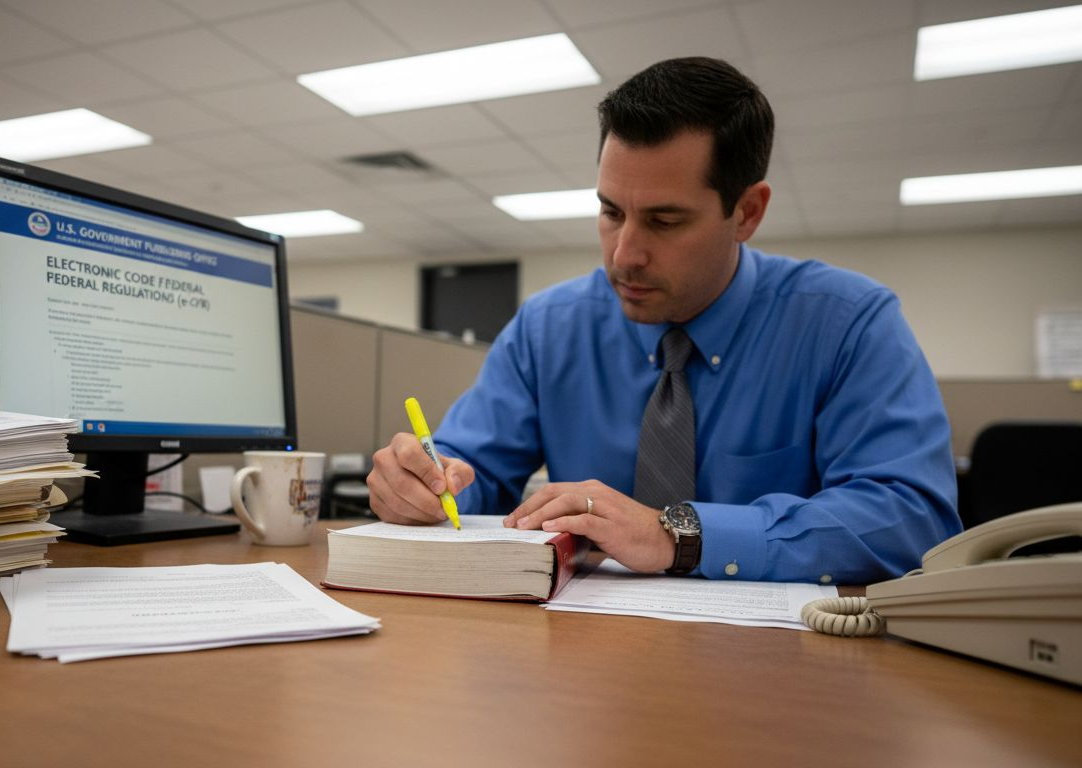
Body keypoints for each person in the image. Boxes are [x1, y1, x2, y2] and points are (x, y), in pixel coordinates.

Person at [366, 57, 960, 584]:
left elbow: (911, 518)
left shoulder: (847, 323)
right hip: (583, 660)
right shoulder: (547, 328)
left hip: (777, 671)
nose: (624, 254)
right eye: (610, 211)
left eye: (666, 220)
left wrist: (678, 533)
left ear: (747, 212)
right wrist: (422, 483)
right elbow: (472, 475)